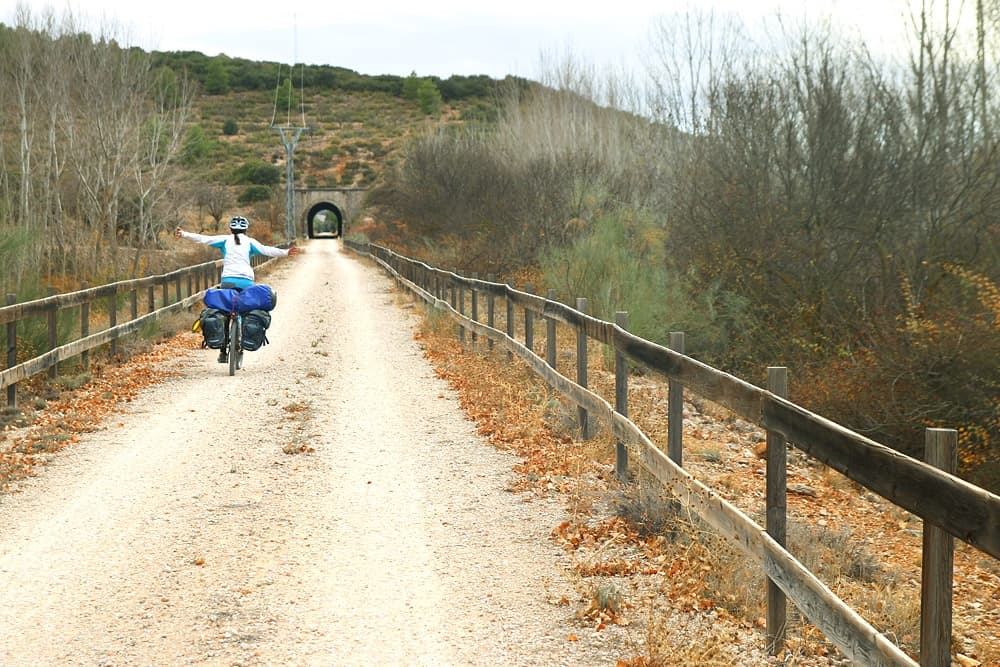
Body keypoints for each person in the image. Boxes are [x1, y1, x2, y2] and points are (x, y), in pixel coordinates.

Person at [175, 215, 302, 362]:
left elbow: (204, 239)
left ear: (230, 229)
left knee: (225, 311)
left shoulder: (224, 240)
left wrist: (184, 234)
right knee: (245, 309)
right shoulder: (250, 242)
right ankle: (244, 332)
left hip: (227, 281)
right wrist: (285, 252)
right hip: (246, 282)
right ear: (246, 230)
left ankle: (223, 352)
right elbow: (266, 250)